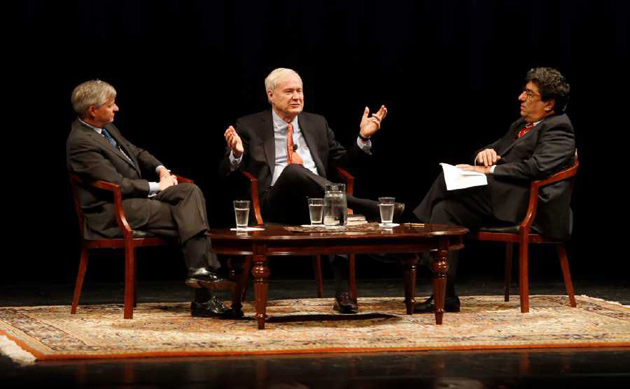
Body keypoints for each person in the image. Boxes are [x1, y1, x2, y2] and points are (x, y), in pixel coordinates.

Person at [219, 68, 400, 314]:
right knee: (293, 172)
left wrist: (362, 138)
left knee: (333, 208)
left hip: (320, 202)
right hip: (275, 203)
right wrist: (237, 154)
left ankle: (343, 295)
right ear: (271, 95)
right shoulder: (249, 125)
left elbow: (342, 162)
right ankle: (365, 206)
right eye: (289, 91)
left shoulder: (316, 123)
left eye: (299, 91)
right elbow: (224, 173)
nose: (296, 96)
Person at [412, 67, 575, 313]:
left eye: (529, 94)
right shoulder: (522, 124)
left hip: (529, 207)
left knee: (447, 180)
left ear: (549, 104)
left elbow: (537, 167)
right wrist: (483, 155)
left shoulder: (559, 128)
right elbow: (497, 148)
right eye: (524, 92)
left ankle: (414, 237)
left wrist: (490, 172)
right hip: (501, 200)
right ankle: (444, 296)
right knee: (445, 210)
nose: (521, 98)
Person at [67, 80, 233, 318]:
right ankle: (204, 294)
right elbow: (116, 183)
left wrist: (161, 169)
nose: (117, 109)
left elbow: (137, 152)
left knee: (190, 192)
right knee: (187, 218)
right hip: (109, 210)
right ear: (92, 110)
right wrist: (157, 186)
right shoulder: (80, 142)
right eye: (111, 105)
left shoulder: (107, 129)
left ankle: (200, 271)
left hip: (133, 201)